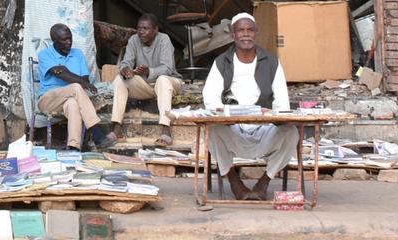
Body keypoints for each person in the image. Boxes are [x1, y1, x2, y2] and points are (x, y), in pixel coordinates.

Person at [201, 12, 296, 200]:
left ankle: (264, 182)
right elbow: (210, 99)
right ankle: (235, 182)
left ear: (256, 33)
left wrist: (271, 114)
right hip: (234, 129)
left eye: (250, 30)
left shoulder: (271, 62)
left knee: (291, 132)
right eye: (241, 30)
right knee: (212, 131)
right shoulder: (222, 62)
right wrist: (228, 113)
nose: (246, 34)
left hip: (264, 129)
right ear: (232, 35)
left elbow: (282, 103)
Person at [36, 23, 117, 151]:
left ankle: (73, 147)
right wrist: (72, 78)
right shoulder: (45, 55)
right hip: (48, 100)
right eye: (64, 40)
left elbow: (84, 79)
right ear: (54, 41)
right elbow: (68, 77)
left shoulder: (78, 54)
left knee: (73, 103)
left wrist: (64, 71)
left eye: (70, 38)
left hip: (69, 99)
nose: (69, 42)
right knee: (75, 87)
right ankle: (97, 132)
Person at [111, 13, 183, 146]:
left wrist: (149, 71)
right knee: (119, 80)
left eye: (145, 28)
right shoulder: (134, 40)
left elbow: (167, 68)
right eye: (139, 28)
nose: (141, 32)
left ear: (156, 30)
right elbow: (126, 61)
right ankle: (116, 128)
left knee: (162, 79)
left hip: (169, 83)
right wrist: (125, 69)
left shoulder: (164, 40)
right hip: (147, 86)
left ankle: (165, 130)